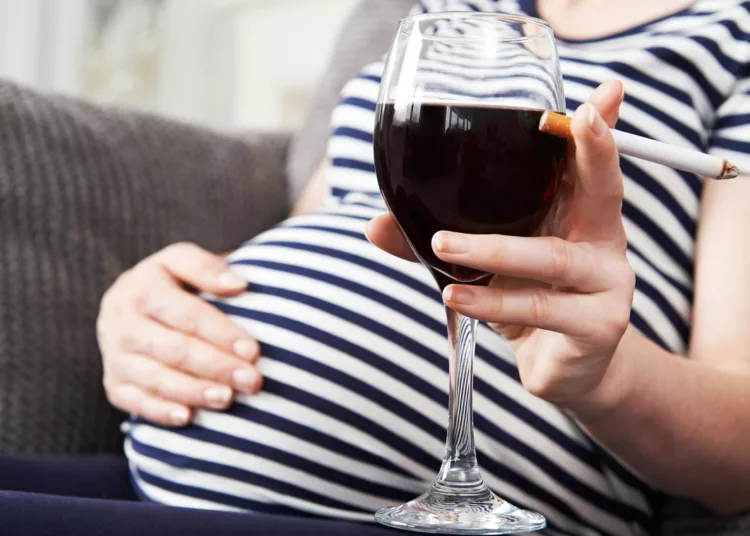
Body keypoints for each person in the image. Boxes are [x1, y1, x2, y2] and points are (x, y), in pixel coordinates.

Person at [92, 0, 750, 535]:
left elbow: (739, 453)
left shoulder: (733, 35)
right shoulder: (441, 11)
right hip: (167, 472)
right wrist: (163, 301)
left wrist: (601, 376)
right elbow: (328, 231)